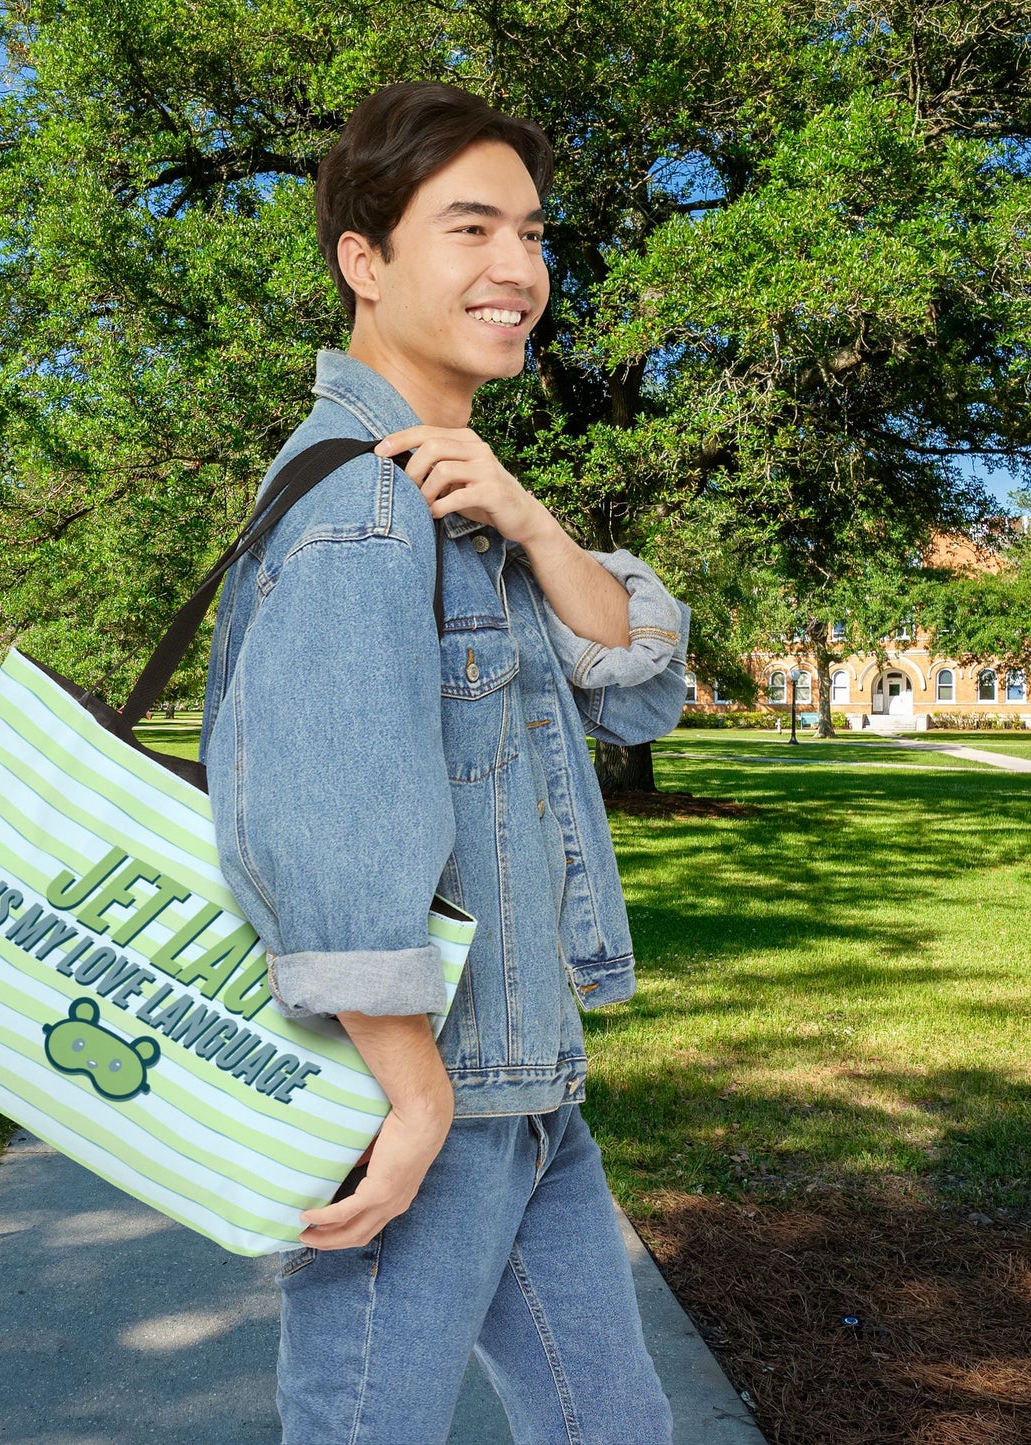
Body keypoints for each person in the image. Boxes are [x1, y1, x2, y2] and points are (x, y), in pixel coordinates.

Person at [200, 82, 689, 1445]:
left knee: (616, 1430)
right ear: (363, 260)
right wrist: (411, 1099)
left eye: (531, 234)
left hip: (526, 1088)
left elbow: (641, 689)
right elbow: (327, 817)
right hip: (433, 1100)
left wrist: (535, 523)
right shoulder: (361, 502)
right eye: (468, 228)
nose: (518, 271)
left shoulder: (451, 490)